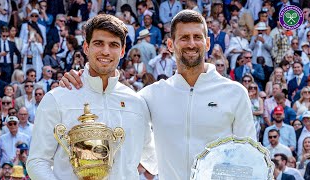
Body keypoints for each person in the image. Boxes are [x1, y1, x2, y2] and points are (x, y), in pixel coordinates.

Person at [60, 10, 256, 179]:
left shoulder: (235, 93)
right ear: (170, 45)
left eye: (197, 37)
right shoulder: (150, 96)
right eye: (184, 38)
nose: (191, 44)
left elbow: (250, 158)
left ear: (207, 43)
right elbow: (107, 98)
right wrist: (81, 80)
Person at [26, 14, 155, 179]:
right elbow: (37, 161)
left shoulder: (137, 103)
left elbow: (153, 159)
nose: (106, 51)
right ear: (86, 47)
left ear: (122, 51)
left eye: (114, 45)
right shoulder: (58, 98)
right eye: (98, 43)